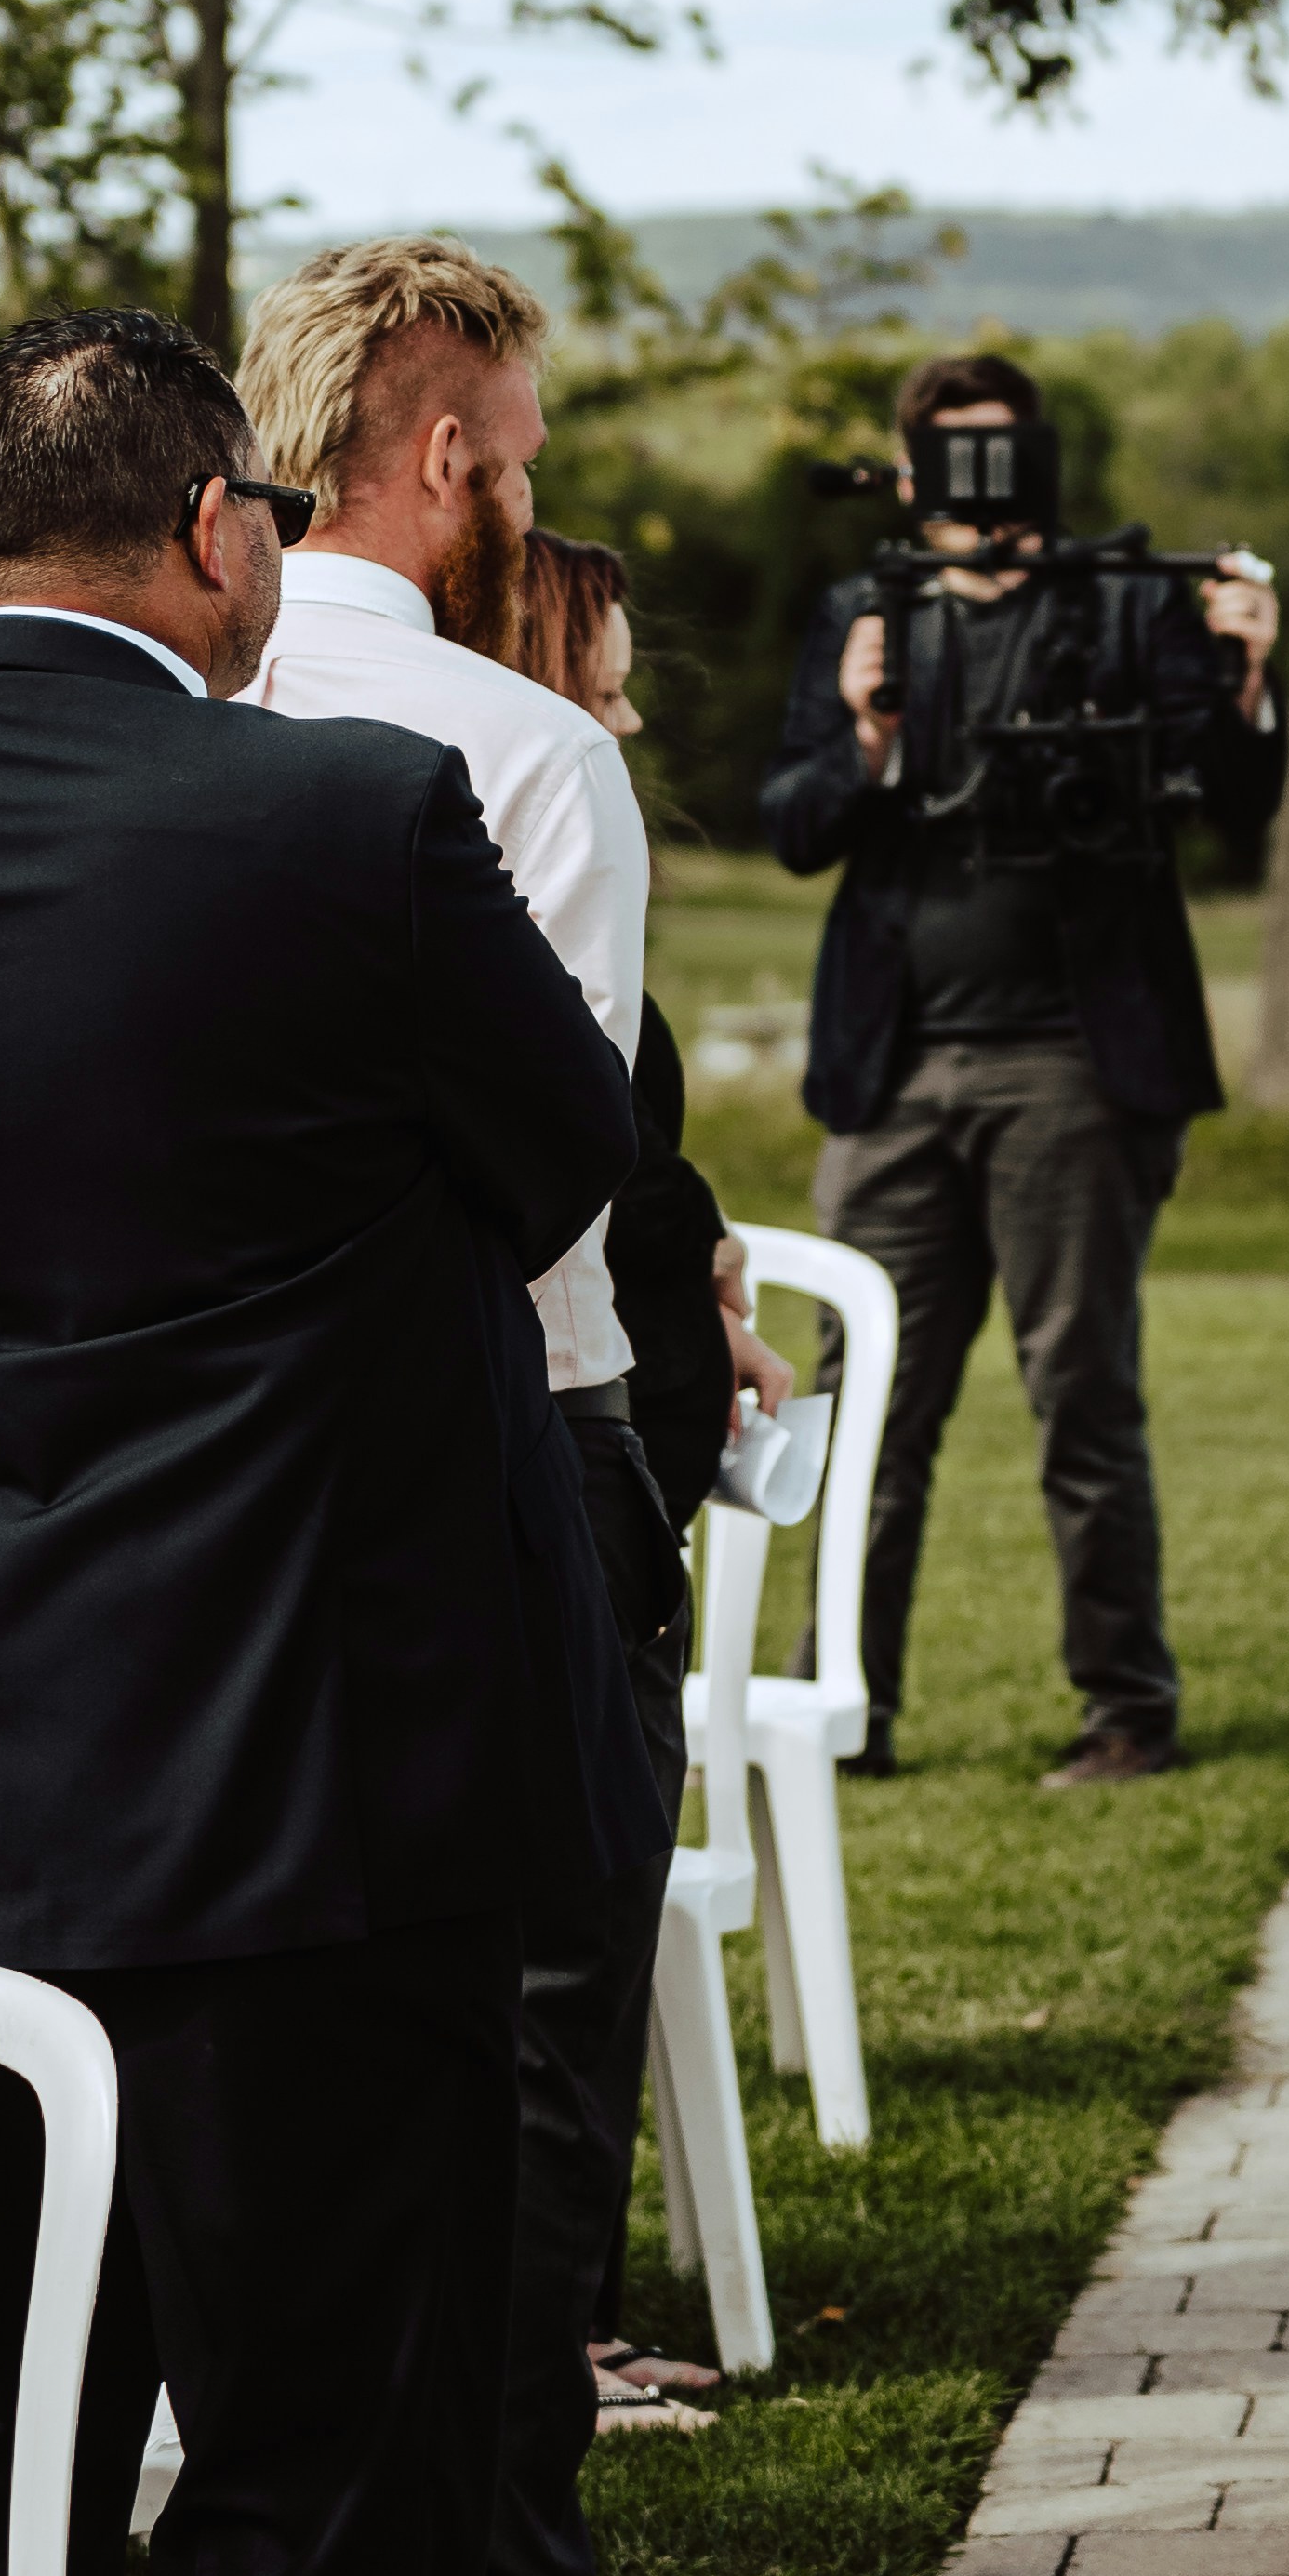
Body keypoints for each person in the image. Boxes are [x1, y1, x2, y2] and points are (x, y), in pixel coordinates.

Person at [0, 304, 640, 2576]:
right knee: (311, 2479)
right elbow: (545, 1167)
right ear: (219, 531)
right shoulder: (342, 815)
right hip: (293, 1792)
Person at [233, 242, 772, 2576]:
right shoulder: (520, 756)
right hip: (506, 1448)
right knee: (546, 2037)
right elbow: (557, 1186)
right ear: (450, 455)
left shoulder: (196, 712)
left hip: (216, 1471)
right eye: (524, 445)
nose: (527, 484)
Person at [761, 347, 1284, 1786]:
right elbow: (795, 824)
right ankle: (838, 1715)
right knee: (868, 1394)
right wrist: (868, 728)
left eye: (1010, 457)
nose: (984, 494)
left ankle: (1129, 1711)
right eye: (958, 461)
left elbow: (1231, 803)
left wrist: (1245, 668)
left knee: (1081, 1392)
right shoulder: (865, 611)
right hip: (895, 1067)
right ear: (913, 473)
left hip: (1074, 1061)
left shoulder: (1123, 603)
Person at [510, 527, 793, 2423]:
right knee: (558, 1914)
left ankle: (570, 2309)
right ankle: (552, 2335)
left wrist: (696, 1263)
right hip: (556, 1446)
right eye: (601, 675)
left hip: (633, 1414)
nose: (625, 712)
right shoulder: (511, 832)